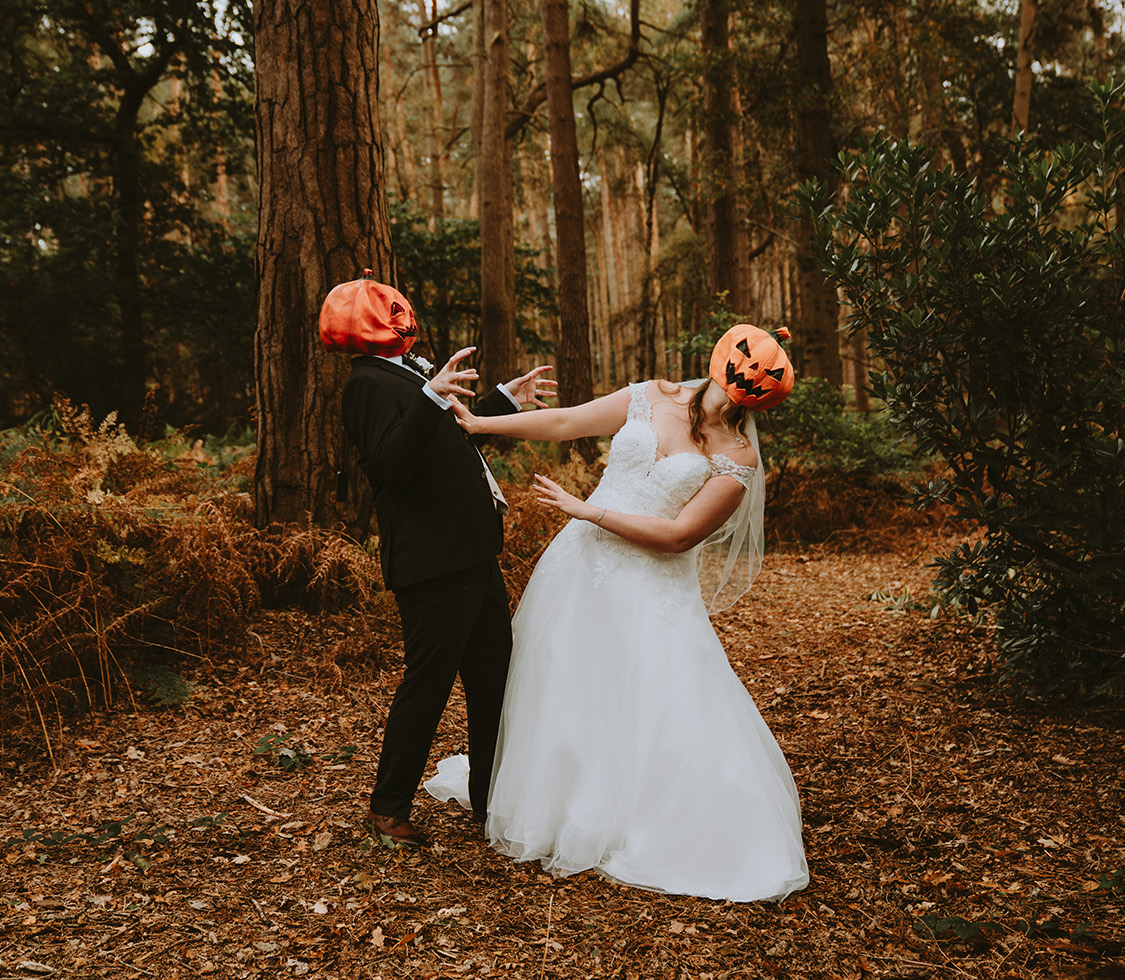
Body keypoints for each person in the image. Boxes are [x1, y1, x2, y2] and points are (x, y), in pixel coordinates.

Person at [425, 324, 811, 902]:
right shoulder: (650, 395)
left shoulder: (738, 457)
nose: (743, 383)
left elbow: (680, 536)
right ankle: (559, 801)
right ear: (723, 357)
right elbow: (563, 421)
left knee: (655, 695)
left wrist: (587, 511)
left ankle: (650, 816)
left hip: (649, 584)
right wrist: (483, 424)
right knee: (563, 682)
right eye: (743, 368)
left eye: (758, 382)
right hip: (578, 570)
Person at [319, 270, 556, 847]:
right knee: (427, 683)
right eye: (388, 310)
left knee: (493, 679)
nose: (402, 316)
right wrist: (428, 398)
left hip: (474, 553)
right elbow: (390, 464)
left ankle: (490, 799)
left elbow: (452, 443)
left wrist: (503, 399)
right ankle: (388, 806)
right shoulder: (366, 386)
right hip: (431, 564)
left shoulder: (411, 374)